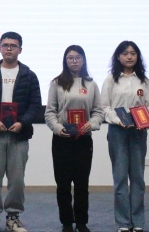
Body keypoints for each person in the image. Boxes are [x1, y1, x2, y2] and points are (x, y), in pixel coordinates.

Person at [0, 31, 42, 232]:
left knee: (17, 180)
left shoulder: (29, 75)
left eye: (13, 45)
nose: (9, 48)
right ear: (0, 48)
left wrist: (22, 123)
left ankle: (13, 217)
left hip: (18, 135)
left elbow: (35, 105)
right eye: (5, 45)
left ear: (20, 49)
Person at [44, 45, 104, 232]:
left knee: (81, 184)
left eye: (78, 57)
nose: (74, 61)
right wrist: (58, 128)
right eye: (70, 58)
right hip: (62, 139)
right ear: (65, 61)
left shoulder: (91, 84)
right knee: (63, 184)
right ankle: (67, 222)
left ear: (83, 60)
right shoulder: (56, 83)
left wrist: (92, 124)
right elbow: (50, 112)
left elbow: (98, 112)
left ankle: (82, 222)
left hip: (83, 140)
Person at [101, 40, 149, 232]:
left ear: (137, 56)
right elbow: (104, 107)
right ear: (118, 57)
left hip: (138, 132)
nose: (129, 56)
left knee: (138, 178)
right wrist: (119, 120)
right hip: (118, 132)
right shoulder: (111, 80)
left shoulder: (143, 80)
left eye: (133, 53)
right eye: (125, 53)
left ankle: (138, 222)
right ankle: (123, 222)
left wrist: (146, 120)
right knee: (120, 178)